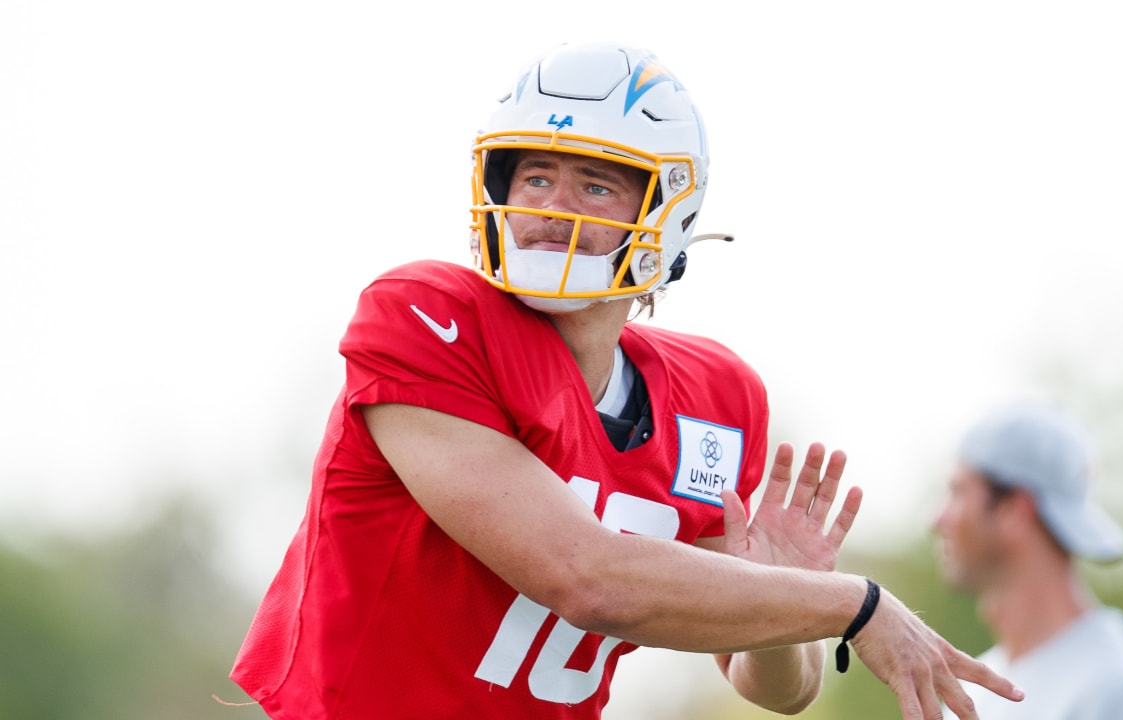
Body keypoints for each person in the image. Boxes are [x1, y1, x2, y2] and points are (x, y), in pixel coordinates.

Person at [230, 41, 1022, 719]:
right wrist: (852, 606)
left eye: (595, 184)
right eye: (535, 177)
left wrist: (774, 598)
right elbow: (587, 578)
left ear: (668, 212)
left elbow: (777, 691)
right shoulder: (428, 318)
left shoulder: (716, 396)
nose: (551, 207)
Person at [933, 400, 1123, 719]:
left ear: (1015, 511)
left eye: (958, 492)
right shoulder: (976, 690)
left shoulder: (1119, 691)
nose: (937, 519)